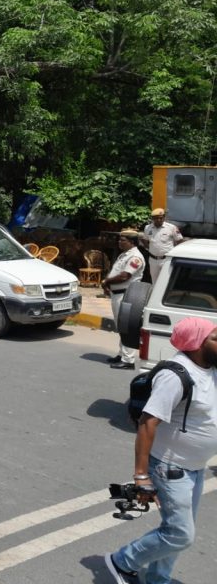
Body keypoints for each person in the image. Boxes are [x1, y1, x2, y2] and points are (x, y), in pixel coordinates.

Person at [105, 317, 217, 584]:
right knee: (180, 534)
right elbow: (148, 423)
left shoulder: (210, 368)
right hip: (170, 468)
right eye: (215, 337)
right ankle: (122, 561)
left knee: (174, 532)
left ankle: (158, 579)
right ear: (195, 343)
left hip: (194, 467)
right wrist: (141, 475)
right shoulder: (175, 375)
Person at [103, 229, 147, 369]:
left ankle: (128, 360)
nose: (119, 242)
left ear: (132, 242)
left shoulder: (135, 257)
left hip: (126, 295)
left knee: (126, 327)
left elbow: (124, 276)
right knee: (120, 326)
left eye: (123, 240)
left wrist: (107, 282)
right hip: (117, 294)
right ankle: (122, 354)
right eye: (120, 239)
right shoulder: (124, 254)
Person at [141, 208, 185, 284]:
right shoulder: (147, 228)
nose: (159, 220)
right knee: (154, 282)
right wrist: (149, 249)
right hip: (153, 259)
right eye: (156, 218)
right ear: (152, 219)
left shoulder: (171, 227)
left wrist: (175, 253)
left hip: (166, 260)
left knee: (166, 281)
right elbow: (145, 239)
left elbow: (179, 240)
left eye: (161, 218)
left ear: (164, 217)